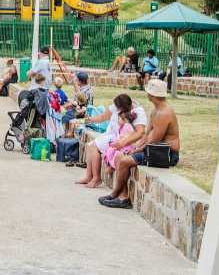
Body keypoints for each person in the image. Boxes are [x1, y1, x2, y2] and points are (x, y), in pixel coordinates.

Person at [101, 79, 180, 209]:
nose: (147, 94)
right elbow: (146, 135)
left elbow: (153, 141)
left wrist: (136, 150)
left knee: (124, 161)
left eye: (148, 92)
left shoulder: (163, 113)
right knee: (121, 156)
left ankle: (117, 195)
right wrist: (136, 147)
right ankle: (122, 196)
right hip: (155, 149)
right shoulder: (156, 111)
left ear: (153, 95)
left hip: (166, 154)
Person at [76, 93, 147, 188]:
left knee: (94, 146)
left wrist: (122, 142)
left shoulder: (136, 112)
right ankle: (89, 176)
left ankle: (96, 178)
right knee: (90, 145)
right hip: (112, 135)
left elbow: (140, 132)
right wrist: (89, 120)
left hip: (120, 138)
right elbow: (102, 117)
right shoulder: (117, 107)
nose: (115, 109)